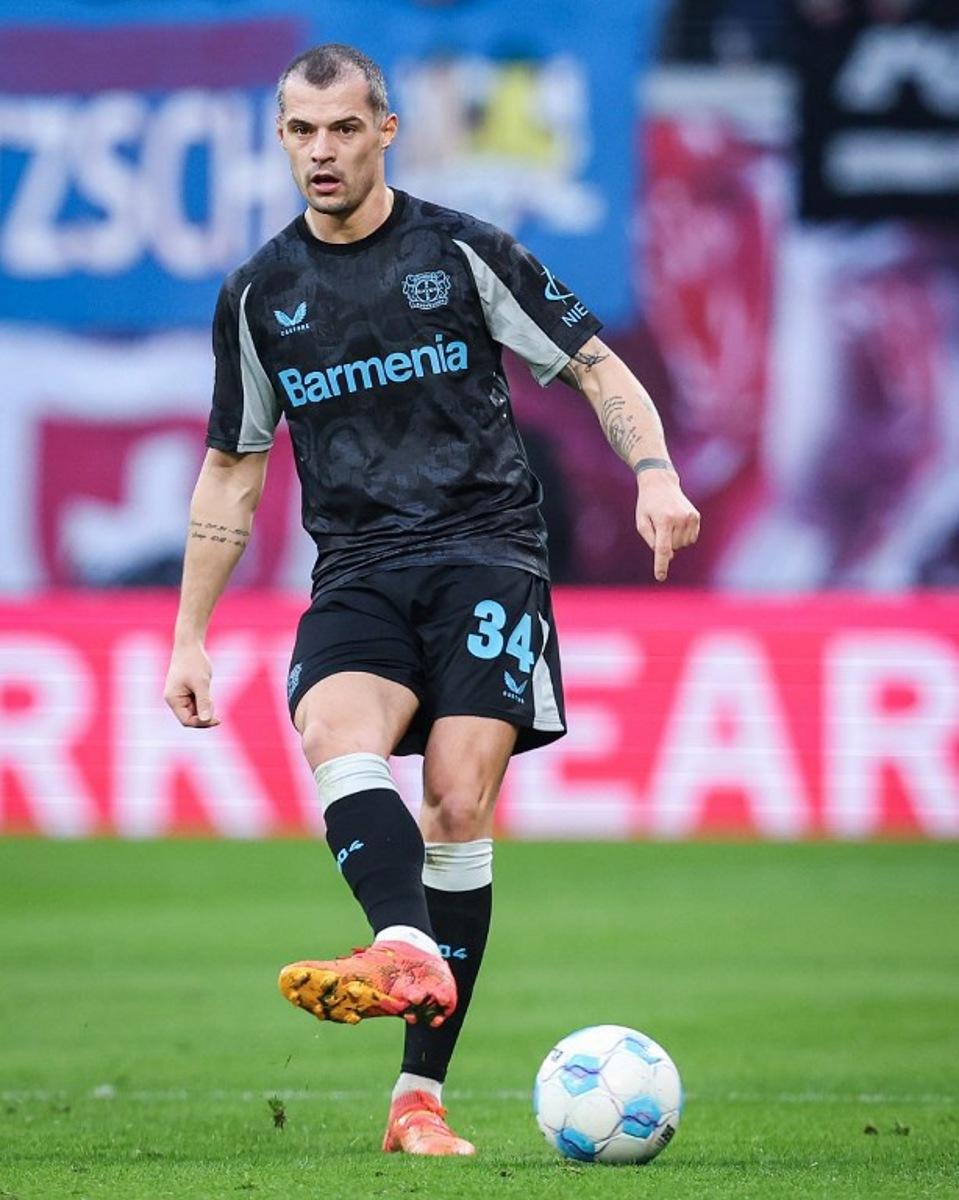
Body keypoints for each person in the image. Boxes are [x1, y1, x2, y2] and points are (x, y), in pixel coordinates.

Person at [163, 43, 700, 1157]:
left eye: (343, 129)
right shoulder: (261, 293)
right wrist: (190, 635)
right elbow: (233, 465)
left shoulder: (459, 251)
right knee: (330, 728)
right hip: (355, 568)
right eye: (301, 132)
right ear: (281, 140)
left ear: (385, 131)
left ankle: (419, 1099)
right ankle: (402, 944)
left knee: (456, 803)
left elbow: (595, 365)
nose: (322, 152)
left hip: (484, 556)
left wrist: (653, 474)